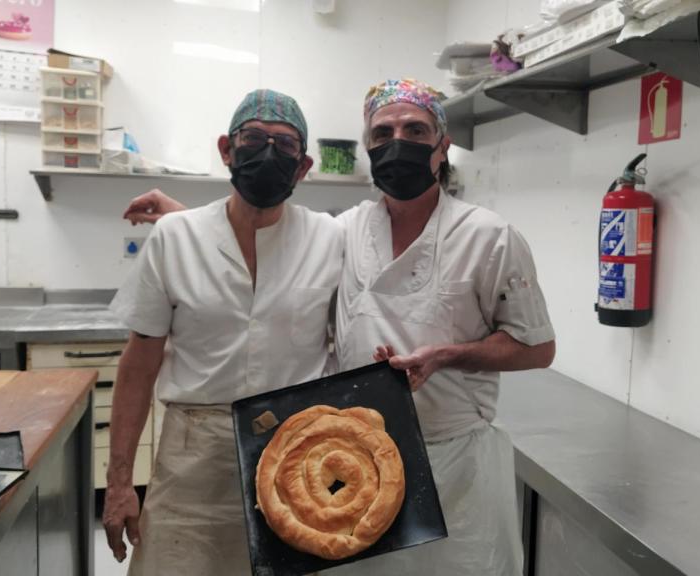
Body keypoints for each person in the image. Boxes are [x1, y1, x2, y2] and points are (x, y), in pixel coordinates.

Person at [124, 78, 556, 576]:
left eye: (415, 130)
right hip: (357, 463)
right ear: (369, 147)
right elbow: (264, 239)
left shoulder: (489, 236)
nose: (398, 142)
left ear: (443, 146)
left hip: (457, 463)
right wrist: (185, 223)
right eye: (383, 133)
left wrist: (446, 355)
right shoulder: (347, 229)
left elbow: (537, 348)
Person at [103, 88, 343, 576]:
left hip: (295, 460)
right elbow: (138, 367)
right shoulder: (177, 237)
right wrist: (119, 482)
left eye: (285, 144)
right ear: (226, 150)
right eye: (253, 138)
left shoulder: (330, 238)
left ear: (302, 167)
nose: (268, 153)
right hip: (193, 462)